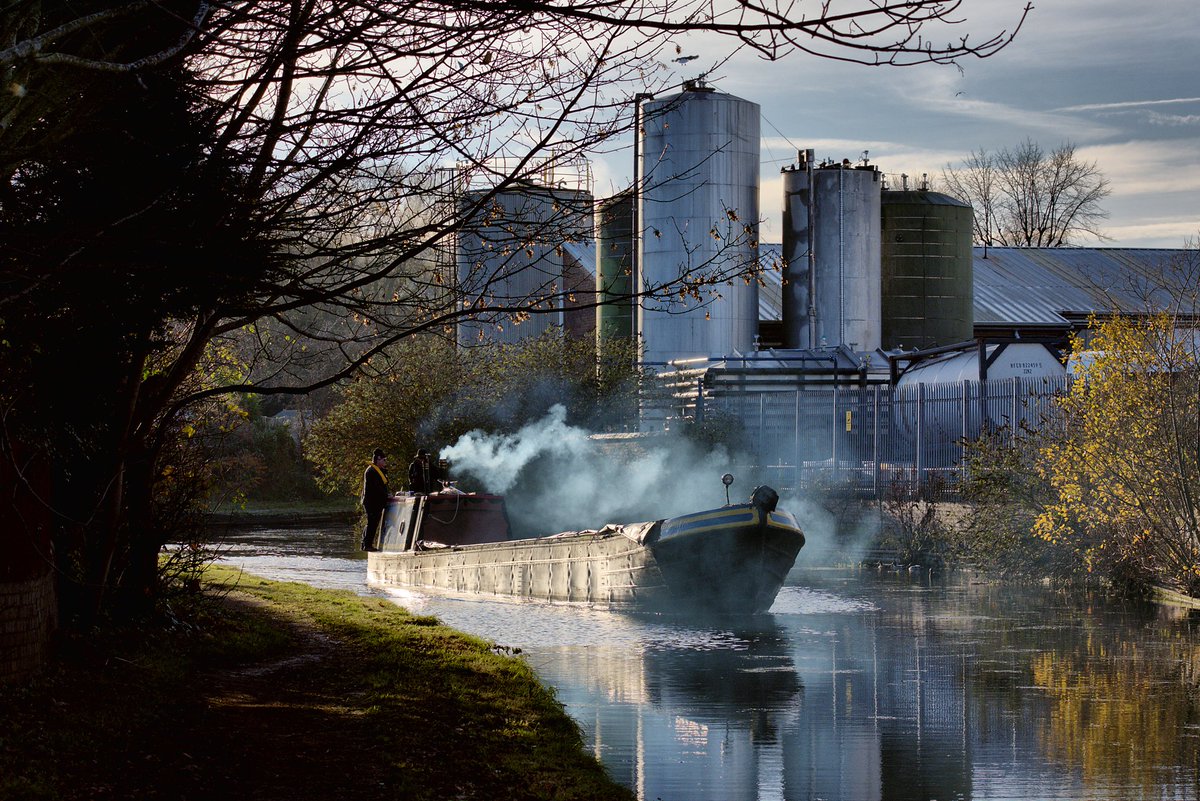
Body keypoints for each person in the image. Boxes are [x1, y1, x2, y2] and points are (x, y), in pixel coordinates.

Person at [360, 448, 389, 551]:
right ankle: (367, 545)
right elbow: (377, 488)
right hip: (371, 502)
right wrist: (386, 496)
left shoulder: (377, 470)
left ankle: (365, 544)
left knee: (372, 523)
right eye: (384, 460)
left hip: (374, 502)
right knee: (372, 523)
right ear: (378, 459)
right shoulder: (372, 471)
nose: (385, 462)